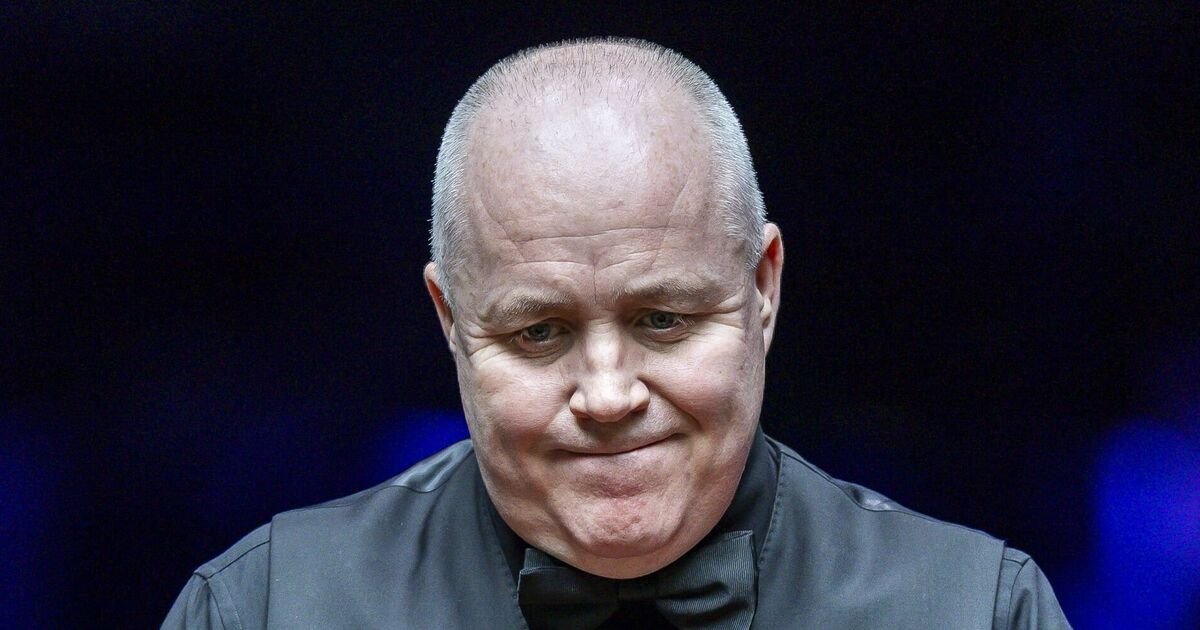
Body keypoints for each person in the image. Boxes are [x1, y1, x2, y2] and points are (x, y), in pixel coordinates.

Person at [164, 38, 1070, 629]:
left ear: (762, 289)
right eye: (539, 332)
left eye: (663, 320)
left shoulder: (977, 612)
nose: (607, 396)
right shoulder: (263, 610)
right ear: (451, 321)